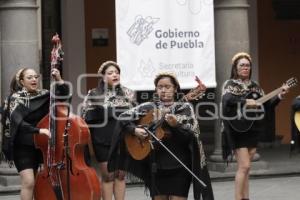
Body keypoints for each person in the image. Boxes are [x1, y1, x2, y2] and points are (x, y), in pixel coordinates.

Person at [108, 72, 214, 200]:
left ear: (175, 88)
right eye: (160, 87)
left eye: (167, 87)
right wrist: (134, 129)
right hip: (156, 166)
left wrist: (176, 126)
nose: (163, 90)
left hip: (179, 167)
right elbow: (122, 118)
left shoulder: (186, 108)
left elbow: (191, 137)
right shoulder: (148, 107)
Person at [221, 52, 289, 200]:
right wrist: (245, 102)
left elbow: (267, 106)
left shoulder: (255, 86)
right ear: (236, 68)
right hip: (237, 129)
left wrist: (279, 96)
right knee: (244, 166)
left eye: (248, 65)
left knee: (247, 168)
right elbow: (227, 100)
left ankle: (246, 197)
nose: (245, 67)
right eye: (242, 65)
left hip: (252, 129)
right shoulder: (230, 84)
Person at [1, 67, 69, 200]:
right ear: (21, 81)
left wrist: (59, 79)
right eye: (29, 77)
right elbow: (18, 123)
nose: (34, 80)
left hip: (39, 145)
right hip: (22, 146)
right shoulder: (15, 98)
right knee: (28, 182)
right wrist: (39, 130)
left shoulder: (43, 95)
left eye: (35, 77)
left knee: (36, 182)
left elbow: (64, 95)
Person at [81, 61, 136, 200]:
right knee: (108, 176)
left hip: (124, 139)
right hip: (102, 139)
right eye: (110, 73)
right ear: (103, 77)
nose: (114, 75)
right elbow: (85, 117)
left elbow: (135, 116)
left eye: (117, 72)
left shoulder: (129, 93)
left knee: (121, 175)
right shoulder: (94, 94)